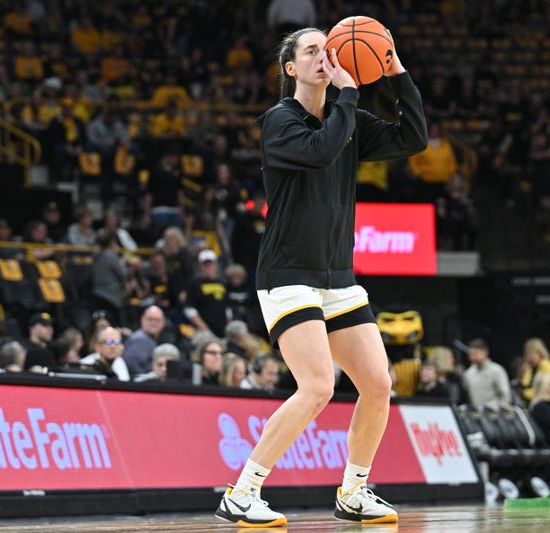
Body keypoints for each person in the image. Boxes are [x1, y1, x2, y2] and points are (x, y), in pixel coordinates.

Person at [216, 28, 426, 527]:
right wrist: (349, 96)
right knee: (316, 387)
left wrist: (394, 69)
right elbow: (323, 150)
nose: (322, 57)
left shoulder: (346, 117)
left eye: (325, 49)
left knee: (378, 383)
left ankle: (354, 491)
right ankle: (242, 492)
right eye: (310, 51)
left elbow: (412, 138)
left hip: (338, 277)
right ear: (291, 69)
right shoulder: (279, 122)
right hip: (288, 275)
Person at [184, 249, 230, 336]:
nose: (209, 266)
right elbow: (189, 309)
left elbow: (228, 308)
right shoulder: (194, 283)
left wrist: (228, 326)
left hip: (223, 330)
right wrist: (204, 328)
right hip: (204, 331)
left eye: (211, 263)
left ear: (216, 265)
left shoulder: (223, 283)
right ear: (200, 266)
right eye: (205, 264)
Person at [121, 305, 177, 375]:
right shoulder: (140, 339)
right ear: (142, 320)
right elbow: (130, 364)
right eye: (150, 319)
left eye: (158, 320)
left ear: (163, 323)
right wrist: (145, 380)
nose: (154, 323)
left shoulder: (150, 339)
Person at [462, 339, 511, 407]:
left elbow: (505, 397)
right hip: (475, 414)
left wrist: (489, 408)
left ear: (485, 352)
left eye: (475, 353)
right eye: (471, 354)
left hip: (495, 414)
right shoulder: (468, 374)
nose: (472, 357)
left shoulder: (497, 370)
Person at [519, 338, 550, 403]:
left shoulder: (546, 365)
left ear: (540, 352)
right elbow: (525, 384)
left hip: (544, 403)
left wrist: (524, 393)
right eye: (527, 353)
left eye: (531, 353)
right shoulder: (531, 368)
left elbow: (543, 391)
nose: (529, 356)